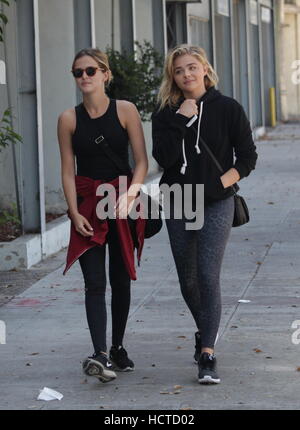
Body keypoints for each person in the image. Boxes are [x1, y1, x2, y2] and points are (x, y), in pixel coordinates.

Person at [152, 44, 257, 384]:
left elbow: (247, 155)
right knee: (188, 279)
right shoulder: (166, 114)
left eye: (192, 67)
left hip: (215, 201)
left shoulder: (227, 108)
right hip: (179, 198)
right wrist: (182, 119)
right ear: (173, 76)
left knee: (208, 275)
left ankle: (208, 354)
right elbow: (164, 158)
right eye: (179, 70)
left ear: (205, 70)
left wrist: (226, 179)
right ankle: (205, 331)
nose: (187, 74)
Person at [57, 48, 148, 383]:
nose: (84, 77)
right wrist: (72, 211)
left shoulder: (125, 110)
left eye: (91, 71)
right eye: (78, 72)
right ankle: (100, 354)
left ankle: (118, 346)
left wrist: (131, 194)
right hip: (87, 206)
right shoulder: (68, 119)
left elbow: (141, 161)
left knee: (120, 278)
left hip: (122, 199)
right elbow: (68, 171)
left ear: (105, 74)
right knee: (94, 283)